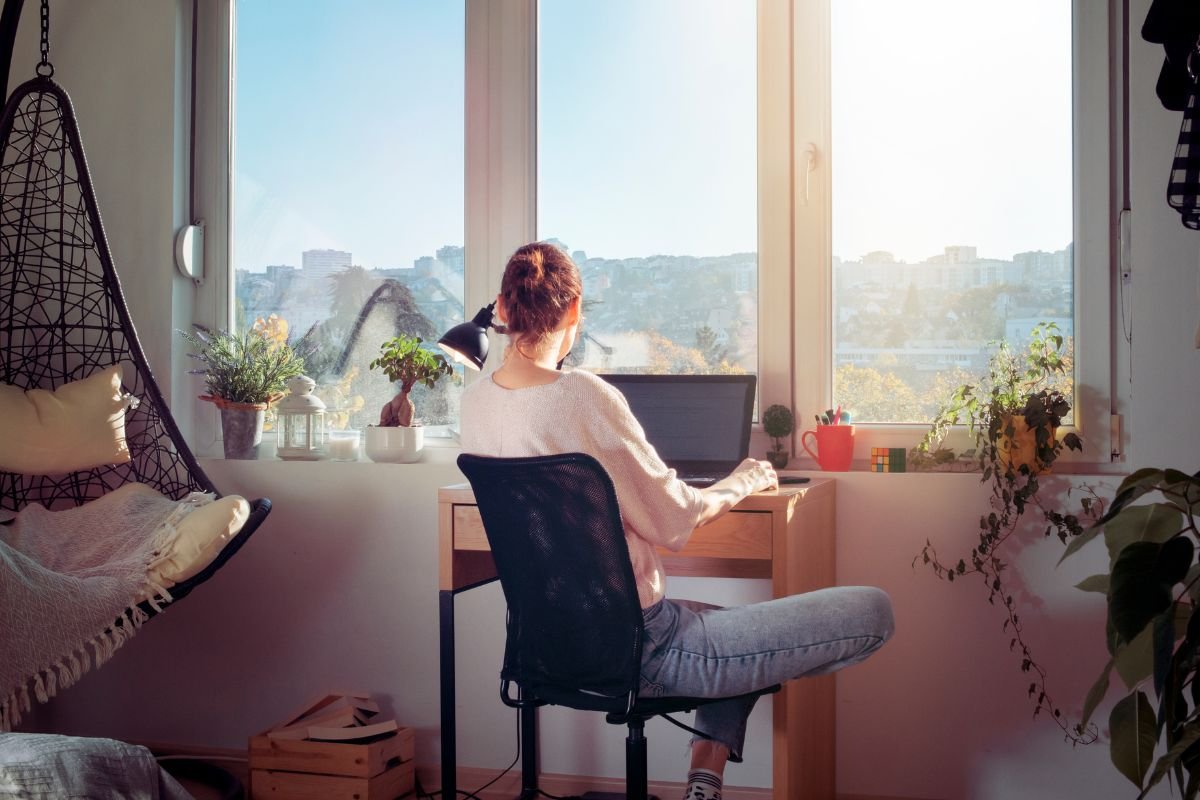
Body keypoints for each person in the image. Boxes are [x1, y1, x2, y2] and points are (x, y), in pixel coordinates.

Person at [460, 242, 894, 800]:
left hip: (546, 648)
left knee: (729, 626)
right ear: (573, 310)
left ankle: (703, 780)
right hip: (644, 650)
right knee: (873, 610)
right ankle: (704, 779)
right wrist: (741, 481)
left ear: (500, 306)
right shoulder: (585, 395)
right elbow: (673, 521)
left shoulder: (475, 404)